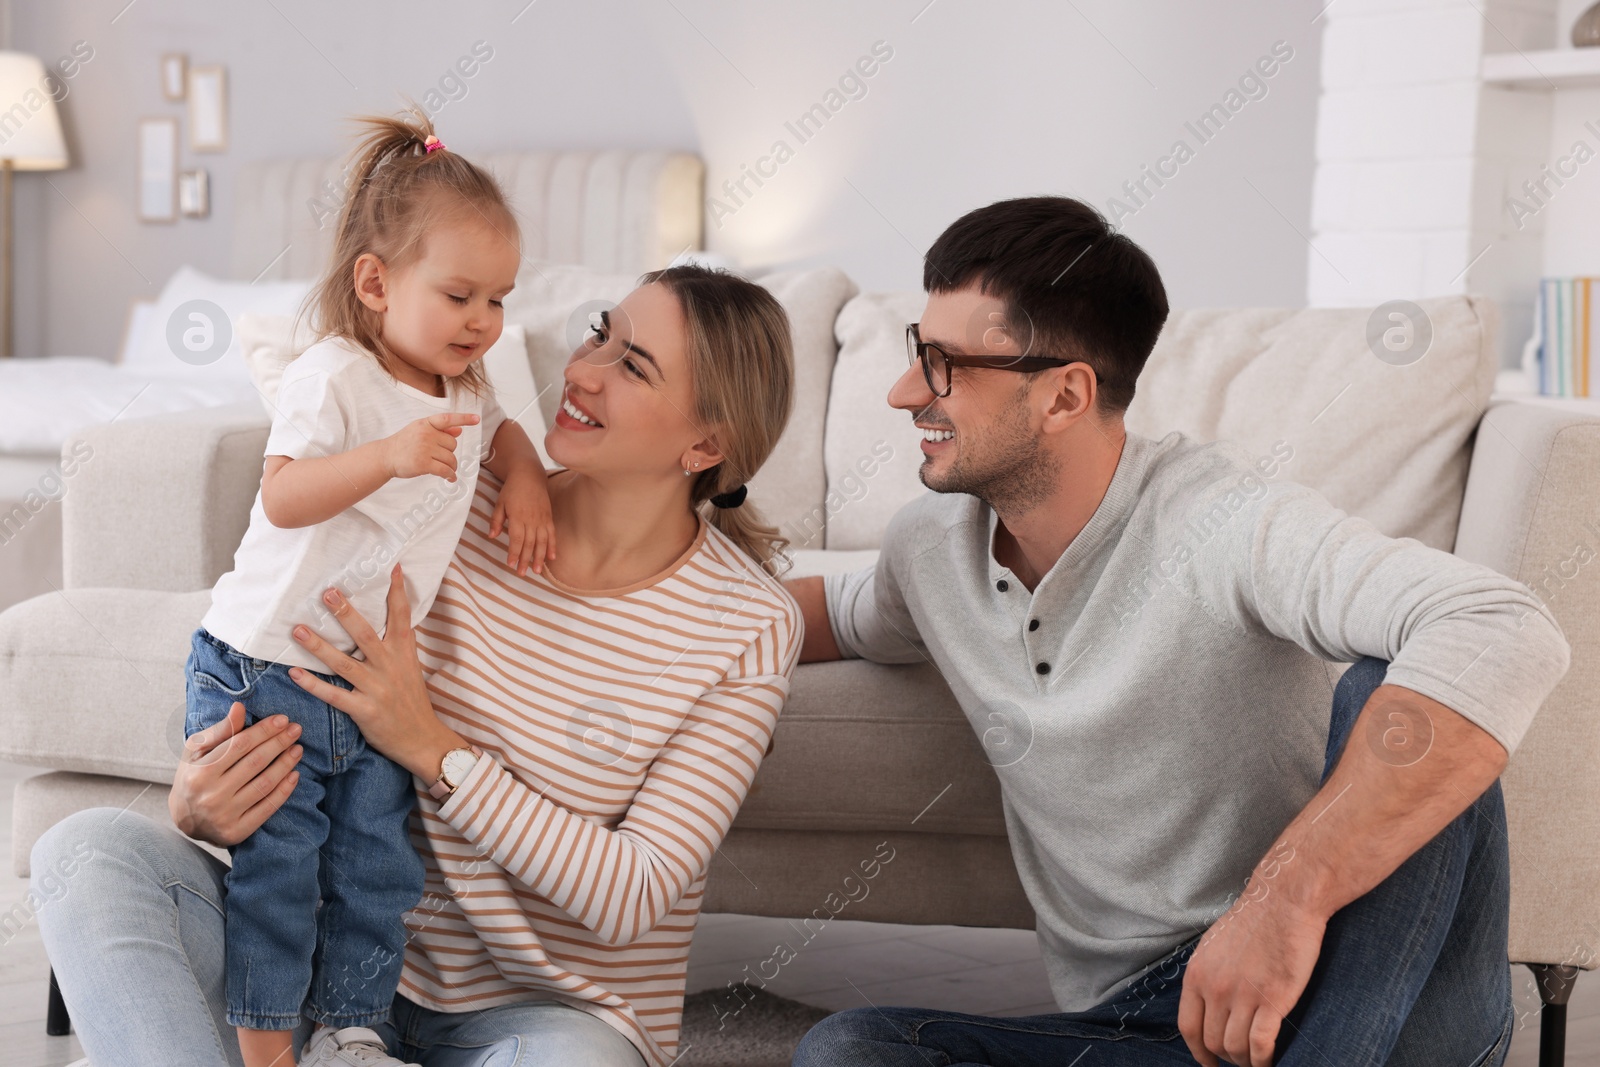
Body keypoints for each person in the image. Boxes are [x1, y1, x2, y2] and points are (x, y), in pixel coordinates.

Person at [786, 197, 1571, 1067]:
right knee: (851, 1049)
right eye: (914, 352)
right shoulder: (928, 553)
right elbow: (834, 614)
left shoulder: (1223, 520)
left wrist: (1284, 901)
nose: (904, 393)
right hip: (1147, 1025)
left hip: (1362, 973)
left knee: (1395, 679)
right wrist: (627, 607)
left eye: (942, 365)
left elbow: (1500, 624)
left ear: (1065, 394)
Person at [34, 263, 801, 1067]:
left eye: (632, 365)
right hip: (327, 981)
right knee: (82, 852)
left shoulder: (746, 624)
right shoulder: (443, 495)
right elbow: (275, 663)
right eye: (600, 333)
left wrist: (431, 747)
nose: (579, 370)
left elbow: (631, 894)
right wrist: (200, 796)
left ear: (706, 444)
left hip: (540, 1018)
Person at [185, 112, 554, 1067]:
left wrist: (521, 477)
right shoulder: (335, 378)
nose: (482, 323)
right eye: (461, 295)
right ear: (377, 281)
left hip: (367, 683)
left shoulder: (466, 385)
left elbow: (505, 430)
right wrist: (385, 457)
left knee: (375, 870)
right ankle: (267, 1048)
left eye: (499, 301)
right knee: (278, 872)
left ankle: (352, 1033)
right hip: (266, 667)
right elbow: (284, 492)